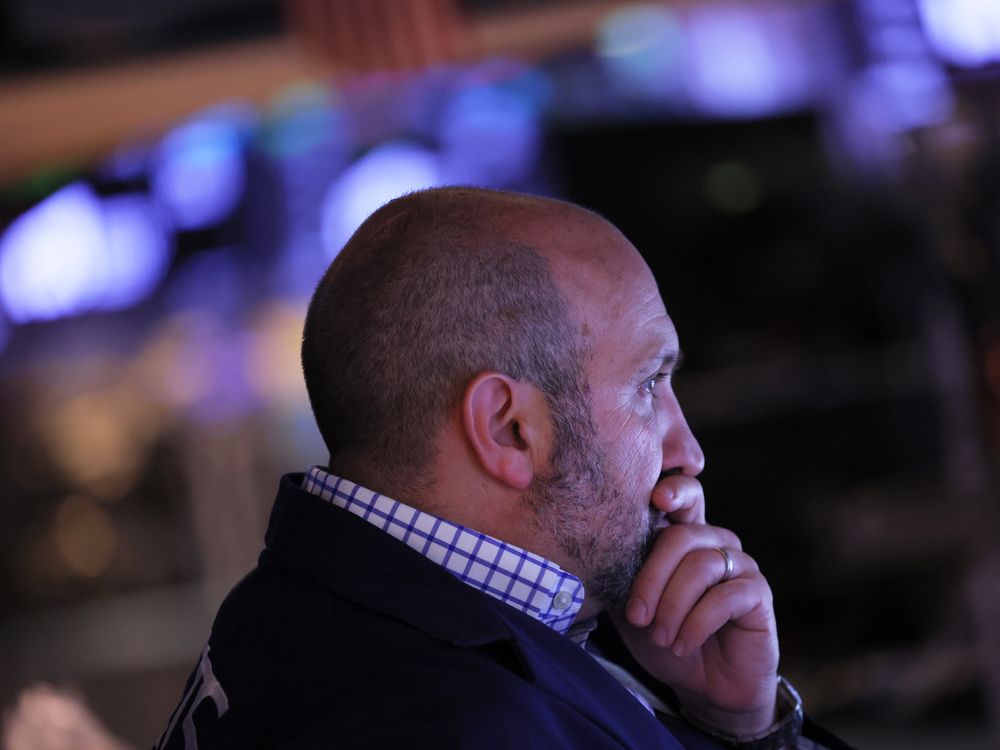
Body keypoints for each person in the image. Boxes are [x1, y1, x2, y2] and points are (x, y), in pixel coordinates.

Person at [157, 187, 852, 749]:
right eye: (648, 386)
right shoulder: (463, 725)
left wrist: (733, 724)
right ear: (508, 429)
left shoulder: (289, 614)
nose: (687, 453)